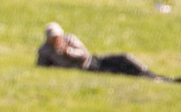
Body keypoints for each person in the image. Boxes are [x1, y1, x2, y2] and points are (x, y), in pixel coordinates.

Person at [37, 22, 171, 80]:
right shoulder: (45, 51)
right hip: (88, 69)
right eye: (53, 38)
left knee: (124, 58)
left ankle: (150, 74)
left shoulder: (70, 39)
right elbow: (41, 69)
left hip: (93, 61)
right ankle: (148, 77)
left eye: (58, 36)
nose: (56, 39)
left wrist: (67, 51)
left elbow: (84, 55)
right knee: (121, 71)